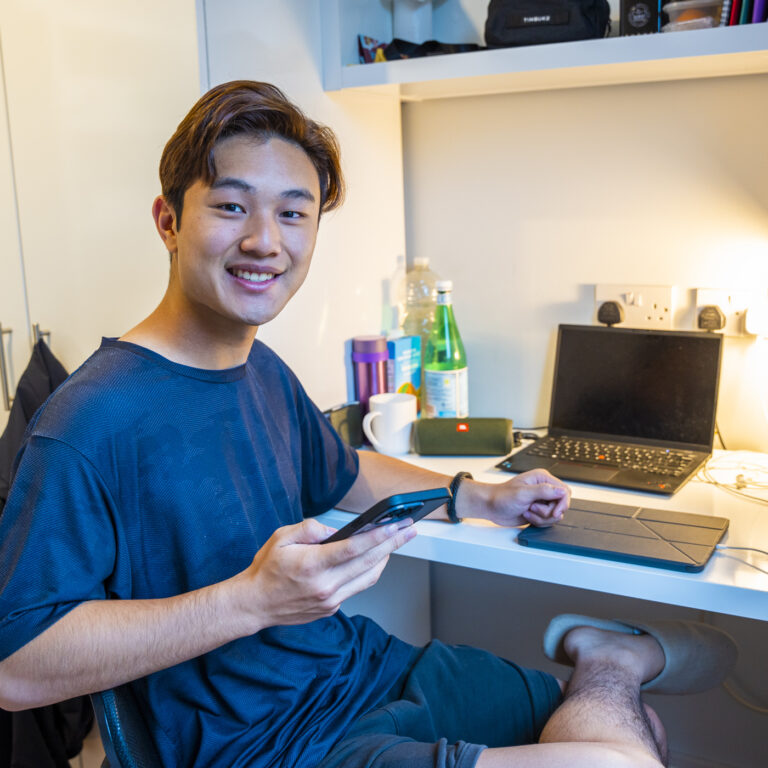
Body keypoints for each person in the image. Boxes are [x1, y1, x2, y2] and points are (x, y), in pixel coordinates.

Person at [0, 81, 735, 768]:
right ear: (169, 220)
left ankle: (607, 663)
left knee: (641, 735)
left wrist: (475, 495)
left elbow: (343, 471)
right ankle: (610, 658)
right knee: (610, 746)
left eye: (293, 213)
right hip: (262, 743)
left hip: (356, 668)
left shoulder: (261, 370)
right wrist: (249, 601)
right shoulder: (92, 419)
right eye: (231, 207)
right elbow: (16, 668)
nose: (266, 240)